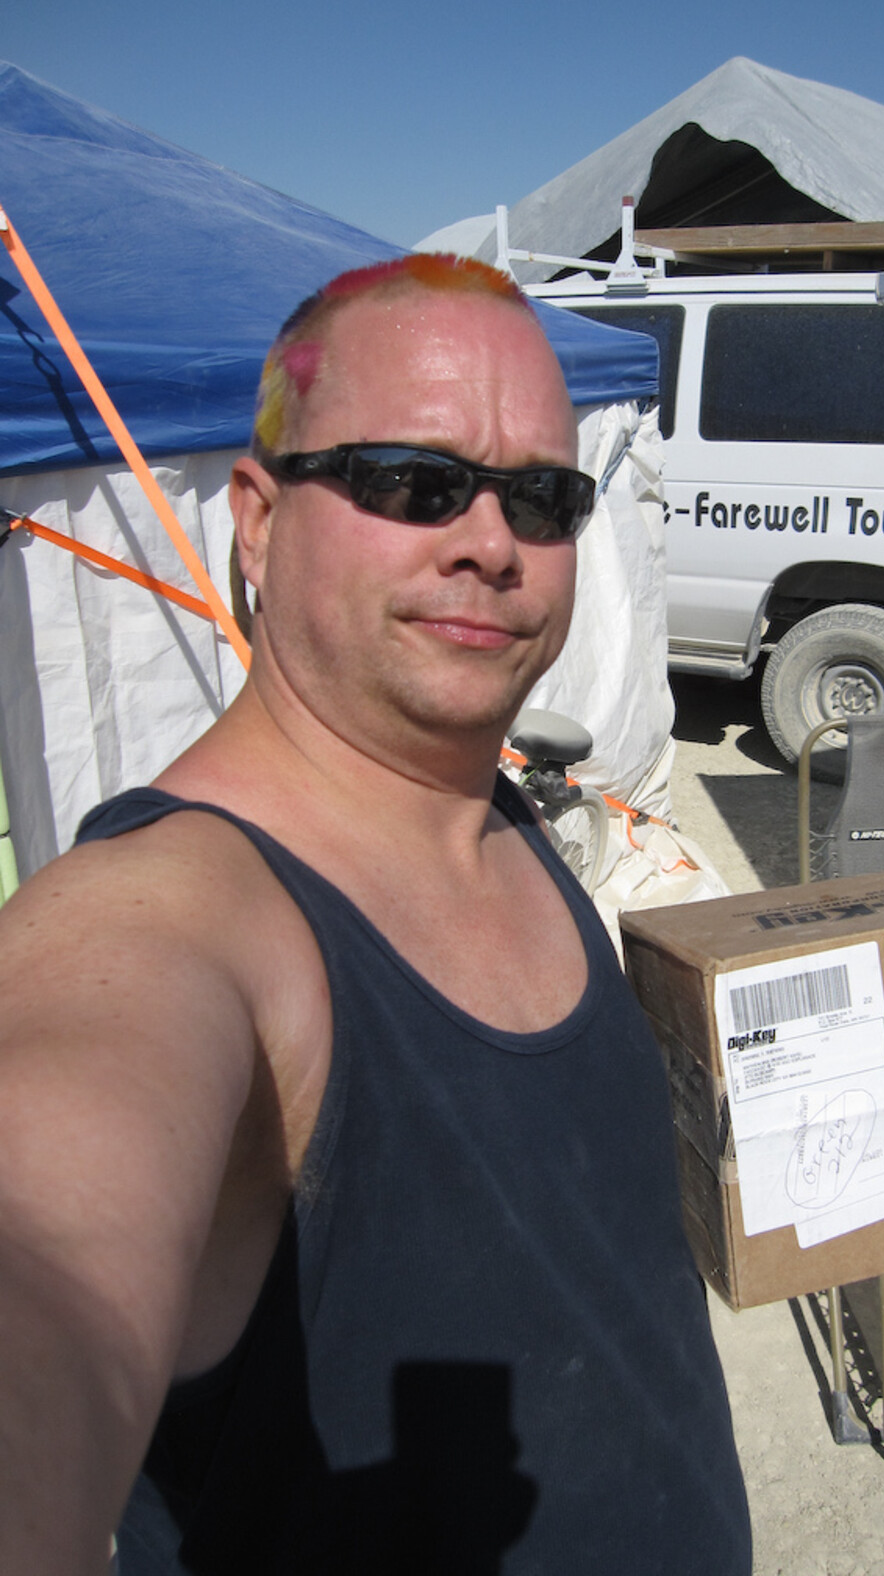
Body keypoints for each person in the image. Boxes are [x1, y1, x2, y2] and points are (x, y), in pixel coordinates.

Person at [0, 255, 751, 1574]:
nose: (491, 541)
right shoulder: (167, 918)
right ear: (259, 518)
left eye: (544, 497)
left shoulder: (505, 814)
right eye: (413, 480)